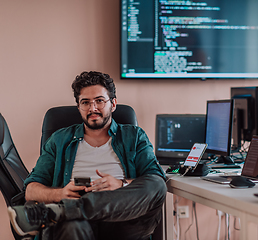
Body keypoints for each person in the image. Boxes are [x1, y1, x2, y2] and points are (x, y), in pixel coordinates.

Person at [7, 71, 167, 240]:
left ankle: (64, 211)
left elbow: (155, 178)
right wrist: (60, 194)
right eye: (85, 102)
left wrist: (122, 184)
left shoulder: (134, 136)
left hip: (124, 221)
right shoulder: (59, 140)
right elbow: (31, 190)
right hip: (77, 224)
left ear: (113, 104)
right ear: (79, 107)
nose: (93, 108)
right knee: (71, 226)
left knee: (157, 184)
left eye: (99, 101)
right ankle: (67, 211)